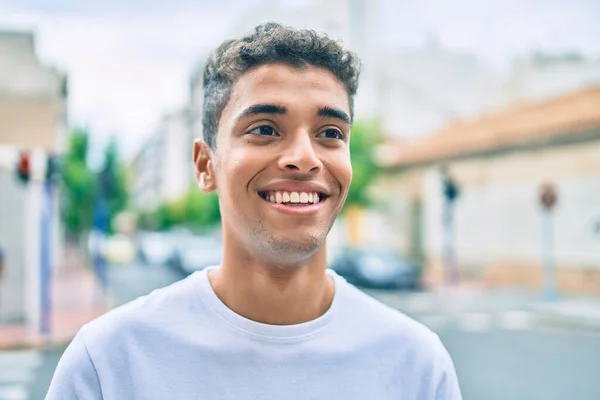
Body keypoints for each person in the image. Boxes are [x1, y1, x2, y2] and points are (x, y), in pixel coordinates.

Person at [46, 23, 461, 399]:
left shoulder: (417, 366)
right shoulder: (107, 364)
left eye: (331, 134)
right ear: (205, 165)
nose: (304, 158)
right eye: (264, 129)